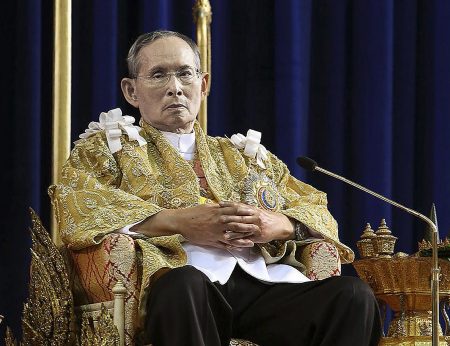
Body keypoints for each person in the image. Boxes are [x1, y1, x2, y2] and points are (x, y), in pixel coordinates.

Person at [50, 30, 381, 346]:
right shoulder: (107, 151)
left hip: (260, 285)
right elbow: (78, 208)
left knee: (352, 297)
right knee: (184, 285)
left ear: (203, 84)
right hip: (180, 284)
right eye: (158, 75)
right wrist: (177, 222)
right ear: (131, 91)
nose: (175, 88)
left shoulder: (243, 156)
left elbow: (313, 205)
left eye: (185, 74)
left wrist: (279, 225)